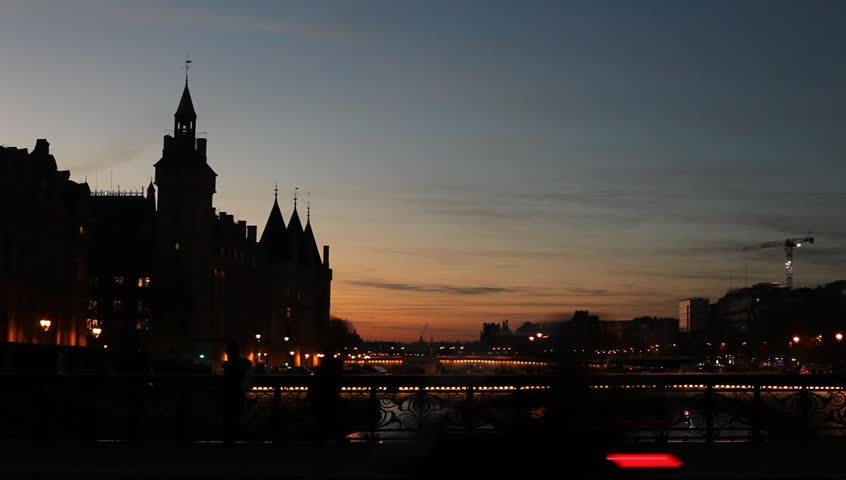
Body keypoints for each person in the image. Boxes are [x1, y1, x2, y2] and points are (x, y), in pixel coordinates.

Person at [307, 344, 343, 445]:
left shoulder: (324, 365)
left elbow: (317, 380)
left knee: (321, 418)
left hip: (321, 394)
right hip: (331, 393)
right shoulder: (337, 363)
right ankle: (334, 439)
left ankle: (321, 439)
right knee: (331, 416)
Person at [222, 339, 252, 446]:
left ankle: (229, 440)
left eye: (227, 351)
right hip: (239, 392)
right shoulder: (245, 362)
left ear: (230, 351)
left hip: (229, 393)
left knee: (229, 417)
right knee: (238, 415)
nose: (226, 353)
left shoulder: (229, 365)